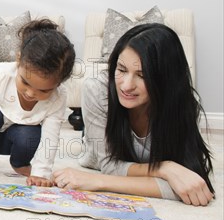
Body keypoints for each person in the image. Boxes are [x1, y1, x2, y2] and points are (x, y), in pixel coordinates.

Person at [53, 23, 215, 206]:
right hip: (106, 123)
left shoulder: (183, 102)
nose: (126, 85)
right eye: (121, 70)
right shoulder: (97, 89)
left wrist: (96, 181)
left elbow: (193, 185)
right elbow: (109, 166)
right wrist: (165, 168)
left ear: (165, 79)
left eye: (142, 75)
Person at [0, 19, 76, 186]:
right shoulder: (3, 74)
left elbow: (50, 138)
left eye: (43, 91)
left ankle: (19, 163)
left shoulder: (58, 98)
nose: (30, 93)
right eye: (25, 82)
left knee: (30, 134)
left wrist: (41, 172)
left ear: (59, 84)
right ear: (19, 61)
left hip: (14, 141)